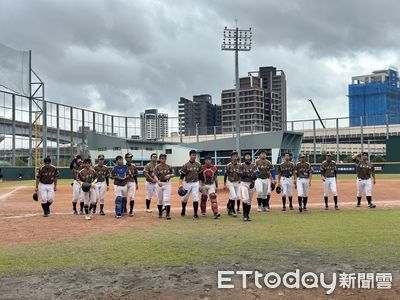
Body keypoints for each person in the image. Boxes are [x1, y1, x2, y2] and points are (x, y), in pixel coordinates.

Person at [179, 149, 201, 218]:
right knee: (185, 198)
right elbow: (182, 175)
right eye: (193, 155)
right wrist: (180, 184)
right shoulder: (185, 165)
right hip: (187, 183)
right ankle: (183, 209)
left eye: (195, 155)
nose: (194, 156)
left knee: (195, 198)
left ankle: (195, 213)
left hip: (195, 183)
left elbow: (200, 175)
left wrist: (200, 183)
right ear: (190, 155)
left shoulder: (198, 164)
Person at [154, 154, 174, 220]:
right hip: (159, 183)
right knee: (160, 200)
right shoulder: (157, 167)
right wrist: (158, 182)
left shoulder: (169, 167)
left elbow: (173, 174)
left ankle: (168, 214)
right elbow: (155, 176)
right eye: (162, 158)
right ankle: (160, 212)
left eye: (165, 158)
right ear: (160, 159)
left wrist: (170, 175)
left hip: (167, 183)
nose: (163, 160)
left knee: (167, 199)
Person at [239, 152, 257, 222]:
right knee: (245, 199)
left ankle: (247, 215)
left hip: (251, 183)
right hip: (244, 183)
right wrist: (249, 175)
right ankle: (244, 215)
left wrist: (253, 180)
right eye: (246, 156)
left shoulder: (254, 165)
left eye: (248, 156)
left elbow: (256, 175)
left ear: (250, 157)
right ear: (244, 158)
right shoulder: (242, 165)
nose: (247, 157)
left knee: (249, 201)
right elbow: (240, 174)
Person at [224, 151, 241, 217]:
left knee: (234, 196)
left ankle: (229, 207)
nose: (235, 157)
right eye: (233, 156)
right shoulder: (228, 165)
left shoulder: (240, 165)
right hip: (230, 182)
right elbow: (226, 175)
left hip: (237, 182)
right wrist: (224, 184)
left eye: (236, 156)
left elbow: (241, 174)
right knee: (233, 196)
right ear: (231, 157)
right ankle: (232, 210)